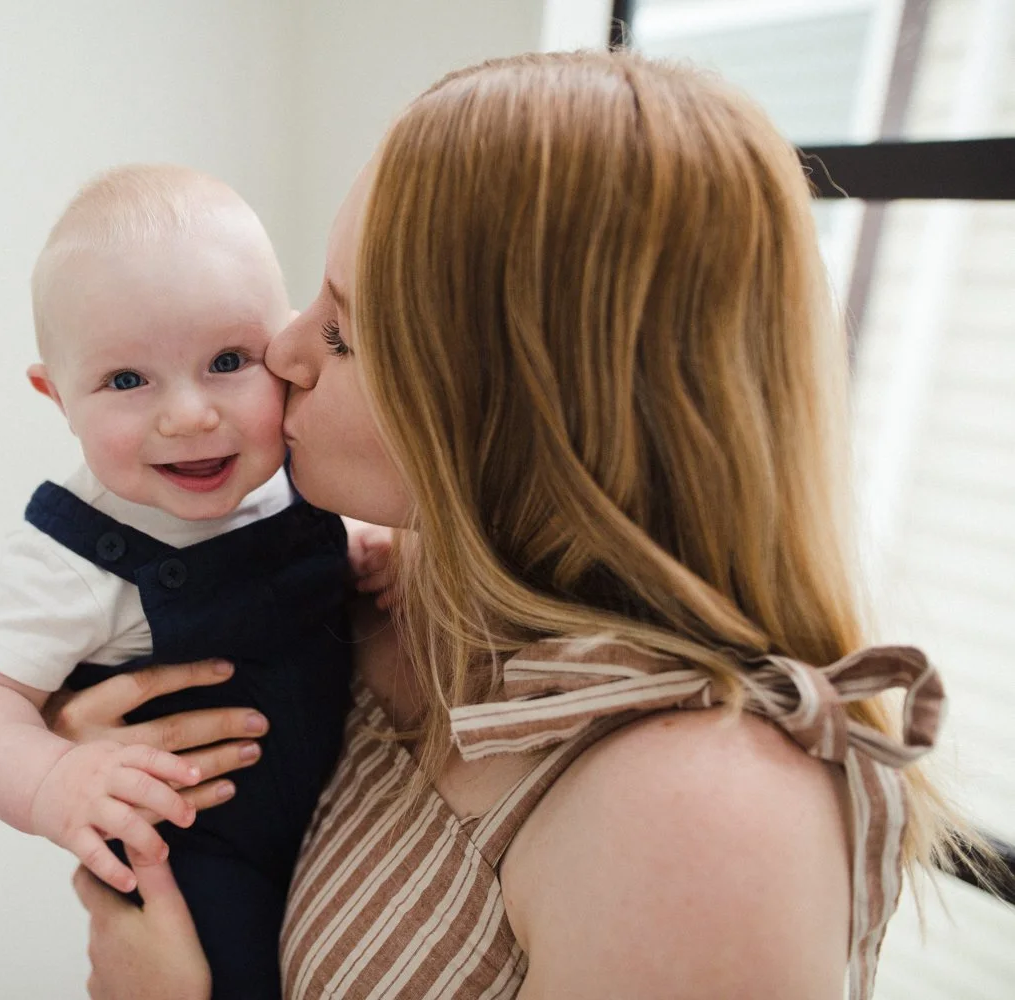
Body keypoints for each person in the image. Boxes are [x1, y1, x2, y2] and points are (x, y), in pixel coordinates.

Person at [51, 53, 962, 1000]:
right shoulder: (391, 588)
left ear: (533, 411)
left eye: (343, 333)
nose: (282, 351)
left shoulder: (704, 815)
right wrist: (81, 736)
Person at [0, 164, 390, 1000]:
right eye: (127, 381)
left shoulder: (294, 475)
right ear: (57, 397)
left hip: (335, 815)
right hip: (196, 853)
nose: (188, 415)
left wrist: (356, 550)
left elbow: (297, 560)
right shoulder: (67, 558)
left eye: (228, 361)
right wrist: (50, 780)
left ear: (283, 346)